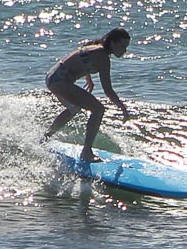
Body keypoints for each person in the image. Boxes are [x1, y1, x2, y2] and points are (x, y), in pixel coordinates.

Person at [43, 28, 132, 164]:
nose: (124, 51)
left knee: (74, 109)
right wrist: (122, 108)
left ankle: (46, 137)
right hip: (59, 80)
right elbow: (108, 90)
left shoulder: (95, 47)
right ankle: (87, 152)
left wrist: (88, 79)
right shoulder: (102, 56)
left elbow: (81, 57)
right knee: (98, 110)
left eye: (126, 48)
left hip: (52, 77)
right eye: (122, 46)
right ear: (112, 43)